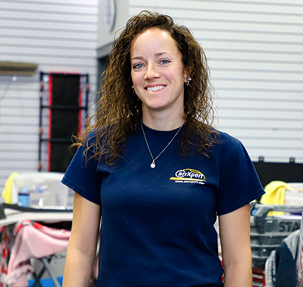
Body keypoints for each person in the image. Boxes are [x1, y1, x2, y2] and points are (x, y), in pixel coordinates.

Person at [61, 10, 264, 287]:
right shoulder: (98, 147)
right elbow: (81, 251)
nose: (151, 74)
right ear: (129, 77)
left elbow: (237, 260)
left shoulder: (224, 152)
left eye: (164, 61)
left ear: (187, 69)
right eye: (138, 65)